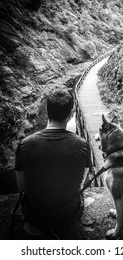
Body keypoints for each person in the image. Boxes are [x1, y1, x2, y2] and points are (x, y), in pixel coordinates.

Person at [15, 88, 91, 239]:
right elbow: (81, 184)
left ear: (47, 110)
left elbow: (22, 188)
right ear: (70, 115)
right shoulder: (82, 145)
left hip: (34, 214)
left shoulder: (24, 144)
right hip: (69, 213)